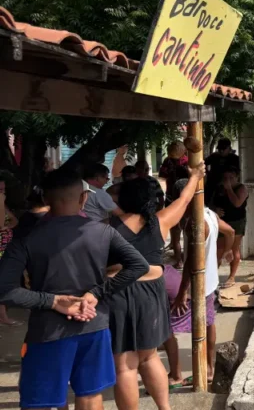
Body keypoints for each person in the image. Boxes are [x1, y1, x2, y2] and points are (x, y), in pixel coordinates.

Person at [0, 168, 149, 410]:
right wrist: (95, 294)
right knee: (90, 396)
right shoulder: (103, 232)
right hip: (94, 325)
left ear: (46, 200)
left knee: (40, 402)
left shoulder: (27, 239)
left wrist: (52, 301)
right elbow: (138, 265)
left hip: (48, 333)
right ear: (84, 198)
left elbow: (4, 289)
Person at [106, 163, 205, 410]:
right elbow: (183, 200)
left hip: (118, 293)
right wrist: (195, 177)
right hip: (151, 292)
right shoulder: (159, 222)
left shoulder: (107, 227)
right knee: (149, 357)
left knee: (125, 365)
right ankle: (165, 409)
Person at [163, 178, 235, 388]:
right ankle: (208, 369)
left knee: (167, 328)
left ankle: (177, 374)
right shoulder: (210, 214)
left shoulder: (196, 221)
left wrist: (182, 292)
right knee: (208, 322)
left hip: (198, 284)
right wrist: (225, 252)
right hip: (209, 281)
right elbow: (229, 231)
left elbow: (191, 263)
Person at [213, 166, 249, 288]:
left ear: (237, 177)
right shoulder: (219, 188)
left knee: (234, 248)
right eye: (225, 178)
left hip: (236, 221)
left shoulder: (241, 188)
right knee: (219, 248)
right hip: (221, 220)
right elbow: (210, 203)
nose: (228, 180)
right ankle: (213, 277)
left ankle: (232, 276)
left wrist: (229, 189)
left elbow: (237, 203)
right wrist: (215, 210)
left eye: (231, 178)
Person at [159, 141, 190, 268]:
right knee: (176, 230)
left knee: (184, 230)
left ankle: (183, 259)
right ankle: (180, 259)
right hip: (174, 198)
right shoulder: (169, 161)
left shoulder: (188, 162)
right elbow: (163, 177)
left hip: (182, 200)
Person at [0, 178, 19, 326]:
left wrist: (8, 227)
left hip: (5, 248)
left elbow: (14, 220)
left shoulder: (3, 204)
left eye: (3, 190)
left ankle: (3, 316)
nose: (3, 192)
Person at [204, 138, 240, 203]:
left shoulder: (235, 158)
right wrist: (207, 173)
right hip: (212, 184)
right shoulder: (214, 156)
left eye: (223, 149)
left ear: (229, 148)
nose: (221, 151)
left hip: (227, 187)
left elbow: (238, 173)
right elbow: (203, 163)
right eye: (219, 149)